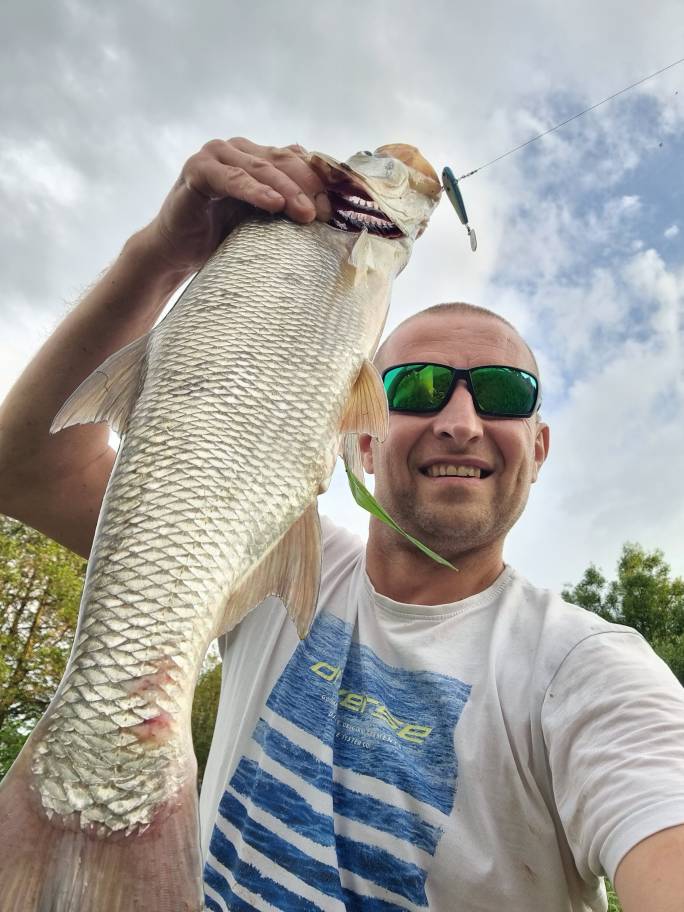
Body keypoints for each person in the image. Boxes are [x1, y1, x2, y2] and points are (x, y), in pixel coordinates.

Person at [0, 138, 682, 912]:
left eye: (501, 392)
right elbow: (28, 467)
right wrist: (159, 253)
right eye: (417, 387)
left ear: (540, 447)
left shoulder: (591, 675)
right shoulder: (257, 555)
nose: (460, 422)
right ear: (359, 438)